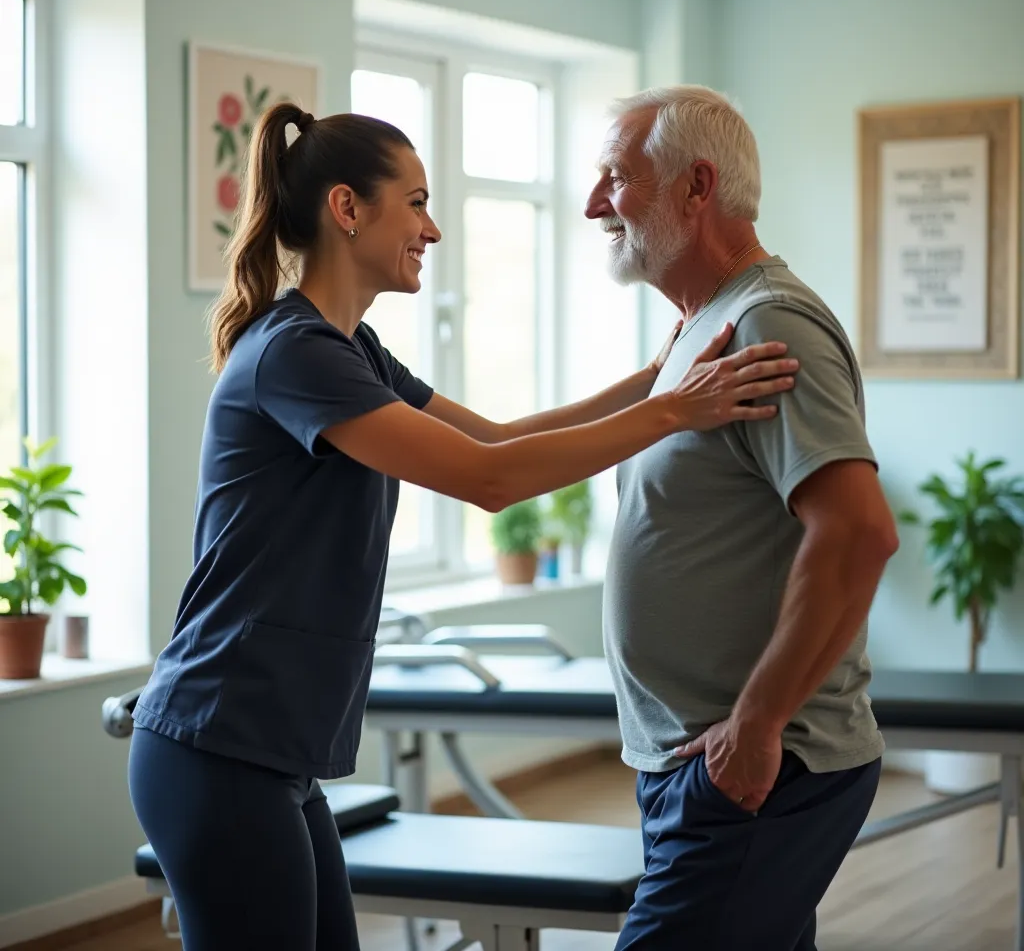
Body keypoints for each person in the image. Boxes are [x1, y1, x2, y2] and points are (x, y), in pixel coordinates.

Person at [126, 100, 799, 951]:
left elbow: (500, 437)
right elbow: (488, 481)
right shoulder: (292, 353)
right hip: (217, 744)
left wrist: (658, 373)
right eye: (415, 201)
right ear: (347, 209)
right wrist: (673, 412)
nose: (432, 228)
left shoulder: (349, 349)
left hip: (271, 755)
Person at [585, 84, 900, 951]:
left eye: (615, 177)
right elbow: (533, 443)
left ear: (696, 187)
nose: (590, 205)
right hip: (702, 762)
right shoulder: (697, 329)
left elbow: (859, 532)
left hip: (763, 762)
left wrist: (756, 728)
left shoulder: (767, 322)